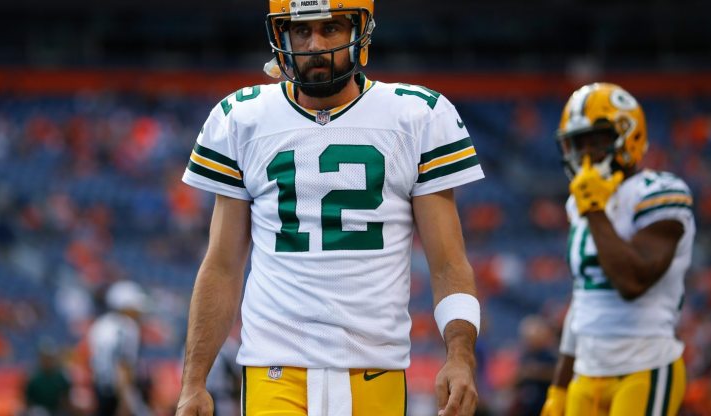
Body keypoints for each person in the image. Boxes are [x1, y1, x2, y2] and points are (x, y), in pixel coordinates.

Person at [175, 1, 485, 415]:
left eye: (332, 28)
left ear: (361, 32)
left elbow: (448, 263)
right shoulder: (241, 119)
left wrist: (460, 356)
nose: (315, 44)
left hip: (375, 364)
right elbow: (222, 265)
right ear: (281, 36)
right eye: (301, 31)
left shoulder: (417, 116)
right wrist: (193, 381)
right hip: (274, 364)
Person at [541, 83, 695, 416]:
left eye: (594, 141)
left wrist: (595, 209)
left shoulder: (659, 192)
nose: (583, 155)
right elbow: (583, 301)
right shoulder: (578, 202)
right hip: (587, 371)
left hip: (643, 367)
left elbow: (632, 281)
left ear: (628, 137)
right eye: (576, 143)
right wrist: (559, 387)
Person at [88, 280, 153, 416]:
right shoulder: (127, 327)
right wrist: (126, 401)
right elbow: (123, 367)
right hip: (119, 392)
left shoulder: (100, 325)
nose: (139, 313)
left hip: (100, 390)